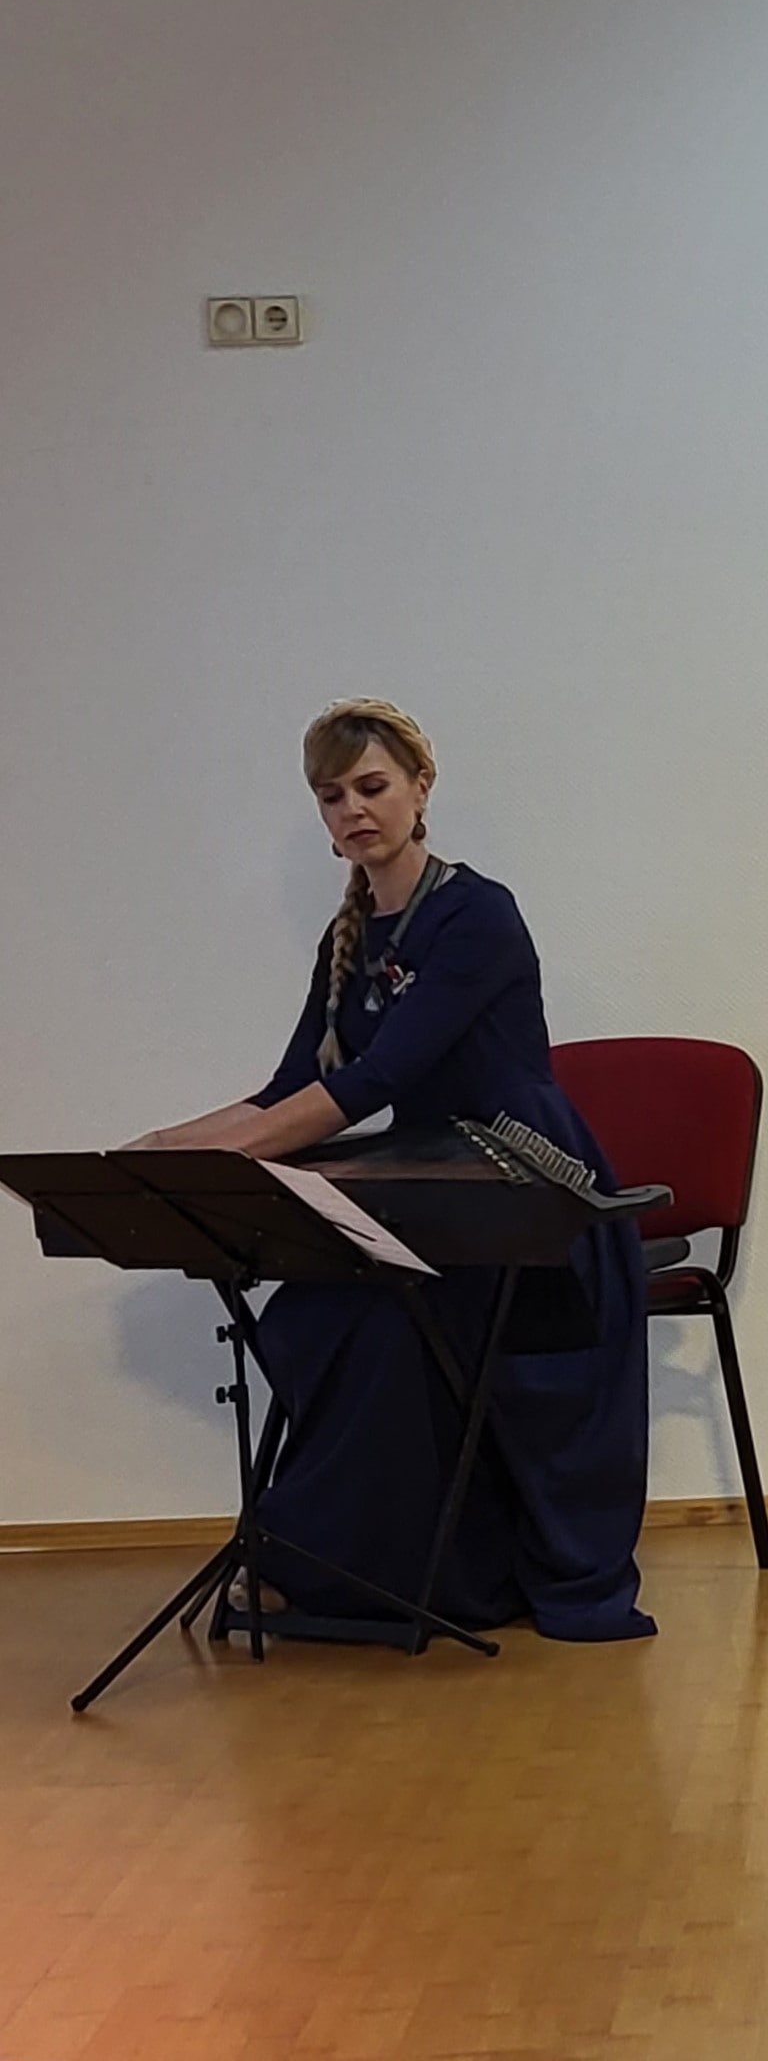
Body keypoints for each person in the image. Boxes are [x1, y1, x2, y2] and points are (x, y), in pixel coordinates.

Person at [134, 699, 654, 1641]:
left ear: (420, 788)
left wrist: (217, 1159)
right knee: (316, 1316)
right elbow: (289, 1089)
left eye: (371, 786)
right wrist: (158, 1152)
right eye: (332, 797)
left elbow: (374, 1082)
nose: (353, 810)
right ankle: (354, 1567)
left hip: (525, 1193)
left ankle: (344, 1569)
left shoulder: (477, 914)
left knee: (382, 1323)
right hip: (432, 1187)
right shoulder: (348, 938)